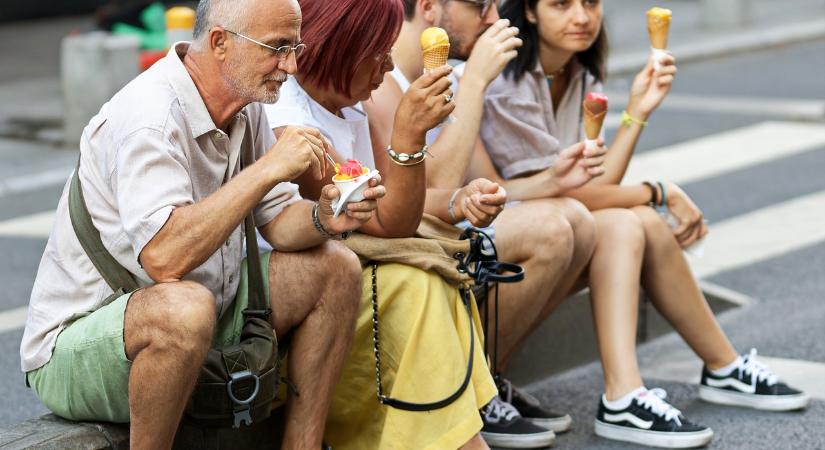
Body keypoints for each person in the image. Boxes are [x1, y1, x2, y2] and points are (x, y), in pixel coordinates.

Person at [19, 0, 380, 448]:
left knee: (335, 267)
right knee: (184, 309)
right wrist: (267, 168)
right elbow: (164, 258)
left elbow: (277, 221)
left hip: (204, 314)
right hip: (78, 346)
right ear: (220, 43)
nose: (289, 65)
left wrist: (324, 217)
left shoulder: (245, 103)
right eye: (277, 48)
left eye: (295, 47)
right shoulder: (150, 119)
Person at [471, 0, 811, 447]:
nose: (581, 16)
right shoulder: (506, 82)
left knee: (639, 222)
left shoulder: (576, 74)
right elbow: (564, 192)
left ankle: (707, 371)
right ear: (530, 12)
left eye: (590, 3)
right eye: (560, 5)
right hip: (508, 233)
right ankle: (624, 394)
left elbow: (591, 182)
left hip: (553, 223)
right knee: (629, 221)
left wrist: (638, 110)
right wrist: (659, 191)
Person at [261, 1, 509, 448]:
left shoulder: (349, 106)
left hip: (344, 272)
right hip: (288, 298)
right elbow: (385, 221)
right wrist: (408, 136)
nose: (390, 64)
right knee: (417, 286)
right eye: (378, 53)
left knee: (427, 281)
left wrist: (455, 199)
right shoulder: (289, 122)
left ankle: (454, 436)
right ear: (341, 46)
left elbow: (391, 205)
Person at [375, 0, 609, 447]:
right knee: (556, 229)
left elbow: (485, 180)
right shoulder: (384, 79)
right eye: (480, 6)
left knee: (580, 223)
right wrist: (477, 82)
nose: (495, 20)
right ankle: (468, 390)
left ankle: (485, 379)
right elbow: (428, 196)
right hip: (411, 239)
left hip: (451, 230)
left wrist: (554, 178)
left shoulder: (448, 73)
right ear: (428, 9)